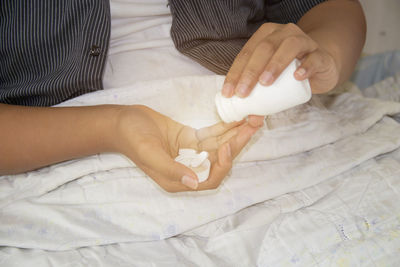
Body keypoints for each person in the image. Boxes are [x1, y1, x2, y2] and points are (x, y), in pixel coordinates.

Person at [0, 0, 366, 192]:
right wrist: (113, 125)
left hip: (279, 133)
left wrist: (326, 55)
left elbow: (335, 7)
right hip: (56, 143)